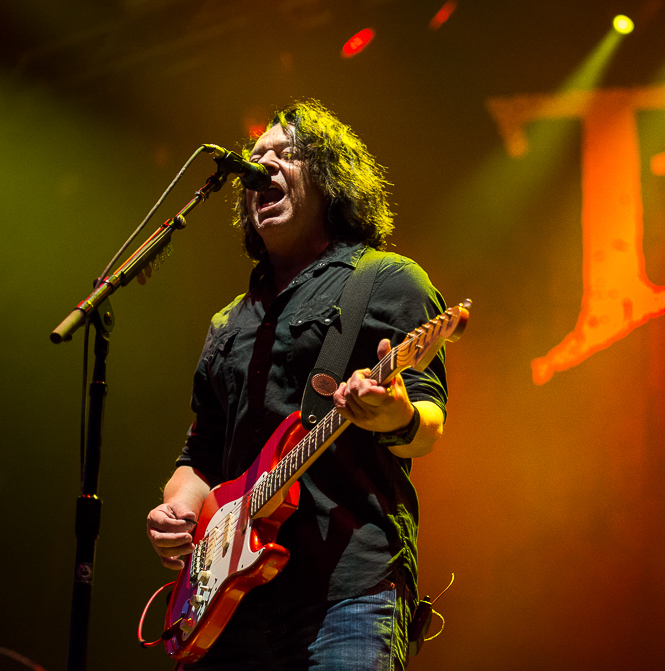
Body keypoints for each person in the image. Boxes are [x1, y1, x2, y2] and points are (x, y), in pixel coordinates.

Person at [145, 100, 449, 670]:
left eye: (286, 154)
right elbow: (200, 456)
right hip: (229, 604)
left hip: (347, 592)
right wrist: (177, 511)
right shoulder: (228, 322)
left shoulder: (386, 281)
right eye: (256, 157)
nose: (263, 166)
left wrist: (395, 415)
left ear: (330, 179)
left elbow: (428, 426)